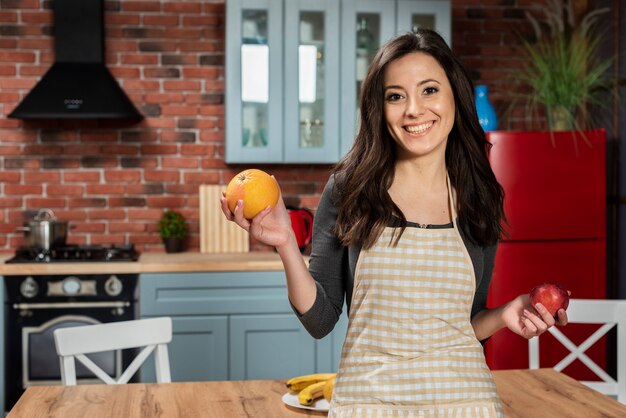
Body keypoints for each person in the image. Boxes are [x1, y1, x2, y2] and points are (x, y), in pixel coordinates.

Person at [221, 28, 568, 417]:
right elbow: (320, 320)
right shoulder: (349, 190)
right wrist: (286, 244)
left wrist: (505, 314)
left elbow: (463, 326)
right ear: (379, 109)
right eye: (396, 96)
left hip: (465, 403)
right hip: (369, 404)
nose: (414, 109)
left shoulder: (478, 196)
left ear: (455, 95)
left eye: (429, 90)